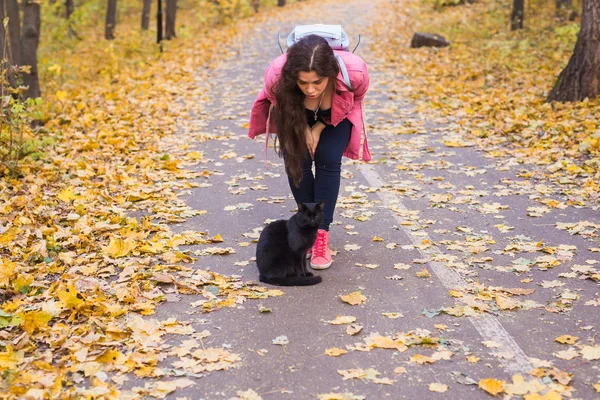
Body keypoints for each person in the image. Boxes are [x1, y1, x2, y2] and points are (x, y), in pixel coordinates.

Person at [248, 34, 370, 270]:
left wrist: (321, 127)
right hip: (293, 114)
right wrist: (304, 129)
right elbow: (278, 104)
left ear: (330, 75)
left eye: (317, 82)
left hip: (337, 114)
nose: (311, 90)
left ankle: (321, 233)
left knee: (328, 158)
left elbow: (356, 100)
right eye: (303, 83)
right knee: (298, 160)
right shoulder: (276, 77)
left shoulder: (355, 74)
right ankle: (308, 229)